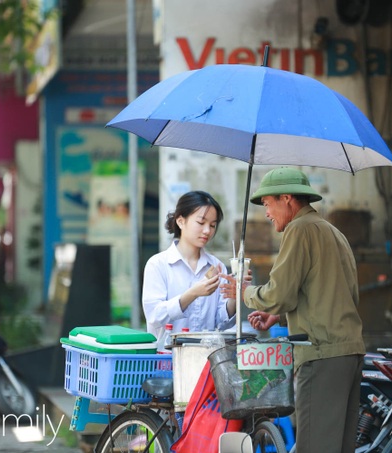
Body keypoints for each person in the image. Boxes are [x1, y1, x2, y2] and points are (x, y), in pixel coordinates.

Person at [221, 167, 365, 453]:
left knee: (314, 447)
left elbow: (279, 292)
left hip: (321, 354)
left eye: (267, 204)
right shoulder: (332, 231)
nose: (266, 213)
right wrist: (278, 314)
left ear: (286, 198)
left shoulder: (299, 229)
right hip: (349, 353)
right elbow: (329, 293)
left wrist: (244, 292)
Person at [142, 190, 236, 340]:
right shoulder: (158, 264)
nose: (207, 231)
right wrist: (193, 293)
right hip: (166, 359)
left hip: (206, 358)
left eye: (212, 225)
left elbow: (222, 323)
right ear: (181, 221)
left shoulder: (217, 266)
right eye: (201, 222)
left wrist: (234, 296)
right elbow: (154, 315)